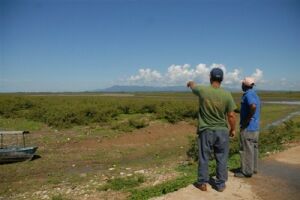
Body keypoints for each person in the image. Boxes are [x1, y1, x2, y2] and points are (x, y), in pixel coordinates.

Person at [187, 68, 237, 192]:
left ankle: (202, 183)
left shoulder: (202, 90)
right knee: (221, 157)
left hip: (206, 130)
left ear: (210, 77)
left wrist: (190, 83)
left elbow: (193, 86)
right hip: (222, 131)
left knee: (204, 157)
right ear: (222, 79)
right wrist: (233, 129)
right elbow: (231, 115)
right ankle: (220, 185)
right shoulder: (227, 94)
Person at [234, 77, 261, 178]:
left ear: (244, 85)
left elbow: (253, 106)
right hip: (255, 127)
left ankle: (246, 171)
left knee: (245, 149)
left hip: (248, 127)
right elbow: (252, 107)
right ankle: (253, 169)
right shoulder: (255, 94)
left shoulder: (248, 94)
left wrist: (247, 119)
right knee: (253, 148)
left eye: (242, 84)